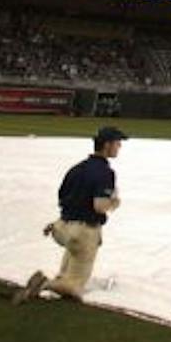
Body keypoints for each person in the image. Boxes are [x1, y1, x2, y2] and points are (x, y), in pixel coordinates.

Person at [16, 126, 128, 304]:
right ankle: (44, 284)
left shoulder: (76, 169)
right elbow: (99, 206)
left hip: (63, 227)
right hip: (83, 232)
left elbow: (62, 197)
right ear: (107, 145)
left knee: (66, 275)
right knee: (75, 288)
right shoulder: (105, 172)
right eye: (117, 143)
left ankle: (51, 284)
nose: (119, 146)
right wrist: (114, 202)